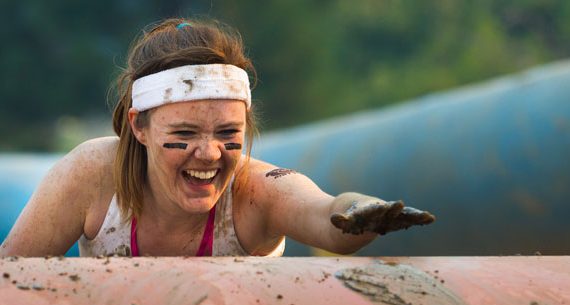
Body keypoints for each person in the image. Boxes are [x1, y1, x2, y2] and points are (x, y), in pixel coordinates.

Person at [0, 18, 434, 258]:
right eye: (184, 133)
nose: (208, 153)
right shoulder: (95, 173)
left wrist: (363, 212)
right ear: (139, 127)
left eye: (228, 133)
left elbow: (326, 215)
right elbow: (10, 275)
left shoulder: (257, 192)